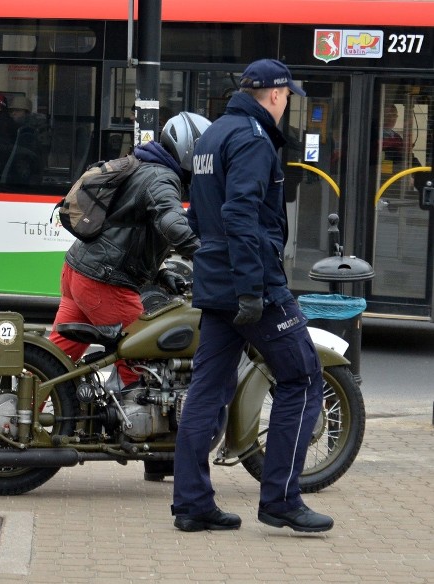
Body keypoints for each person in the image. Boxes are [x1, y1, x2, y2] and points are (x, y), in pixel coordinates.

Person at [171, 59, 333, 533]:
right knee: (303, 378)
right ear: (277, 96)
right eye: (288, 98)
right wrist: (252, 291)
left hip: (217, 283)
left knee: (207, 390)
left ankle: (192, 505)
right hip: (253, 284)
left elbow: (199, 217)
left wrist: (220, 278)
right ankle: (282, 500)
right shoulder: (253, 140)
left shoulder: (212, 136)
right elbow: (241, 216)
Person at [49, 112, 206, 411]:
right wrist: (209, 257)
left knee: (55, 361)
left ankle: (23, 415)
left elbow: (126, 231)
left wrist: (158, 274)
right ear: (190, 150)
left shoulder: (144, 165)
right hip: (104, 281)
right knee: (145, 354)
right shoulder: (163, 177)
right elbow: (172, 223)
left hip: (79, 271)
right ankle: (132, 426)